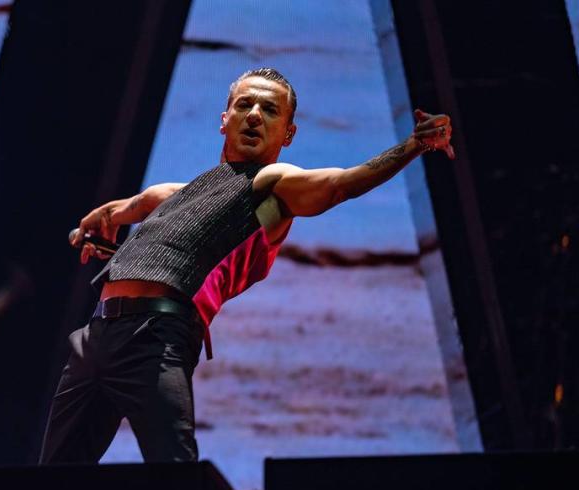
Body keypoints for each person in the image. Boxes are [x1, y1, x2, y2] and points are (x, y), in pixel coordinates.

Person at [38, 67, 454, 464]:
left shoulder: (272, 186)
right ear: (225, 119)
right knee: (51, 481)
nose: (254, 115)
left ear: (288, 133)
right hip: (94, 336)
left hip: (155, 338)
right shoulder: (180, 193)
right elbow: (135, 204)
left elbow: (340, 184)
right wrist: (99, 221)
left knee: (172, 475)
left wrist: (415, 144)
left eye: (270, 110)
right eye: (244, 105)